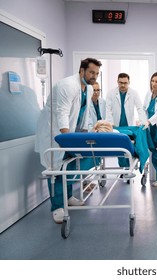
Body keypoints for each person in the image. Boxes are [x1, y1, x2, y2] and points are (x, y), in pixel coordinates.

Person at [35, 57, 102, 223]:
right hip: (54, 132)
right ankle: (57, 207)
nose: (94, 76)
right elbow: (62, 113)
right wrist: (68, 140)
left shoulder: (88, 88)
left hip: (70, 132)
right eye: (91, 72)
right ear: (82, 70)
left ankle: (69, 196)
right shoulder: (68, 85)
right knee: (56, 169)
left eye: (97, 73)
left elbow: (84, 115)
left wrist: (84, 136)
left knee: (72, 162)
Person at [106, 73, 147, 168]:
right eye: (120, 83)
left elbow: (140, 108)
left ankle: (129, 167)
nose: (123, 85)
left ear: (129, 82)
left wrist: (142, 122)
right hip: (116, 126)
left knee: (128, 147)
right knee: (120, 149)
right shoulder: (111, 93)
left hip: (129, 126)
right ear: (117, 82)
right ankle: (124, 169)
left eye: (125, 83)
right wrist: (110, 123)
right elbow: (108, 110)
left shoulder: (134, 93)